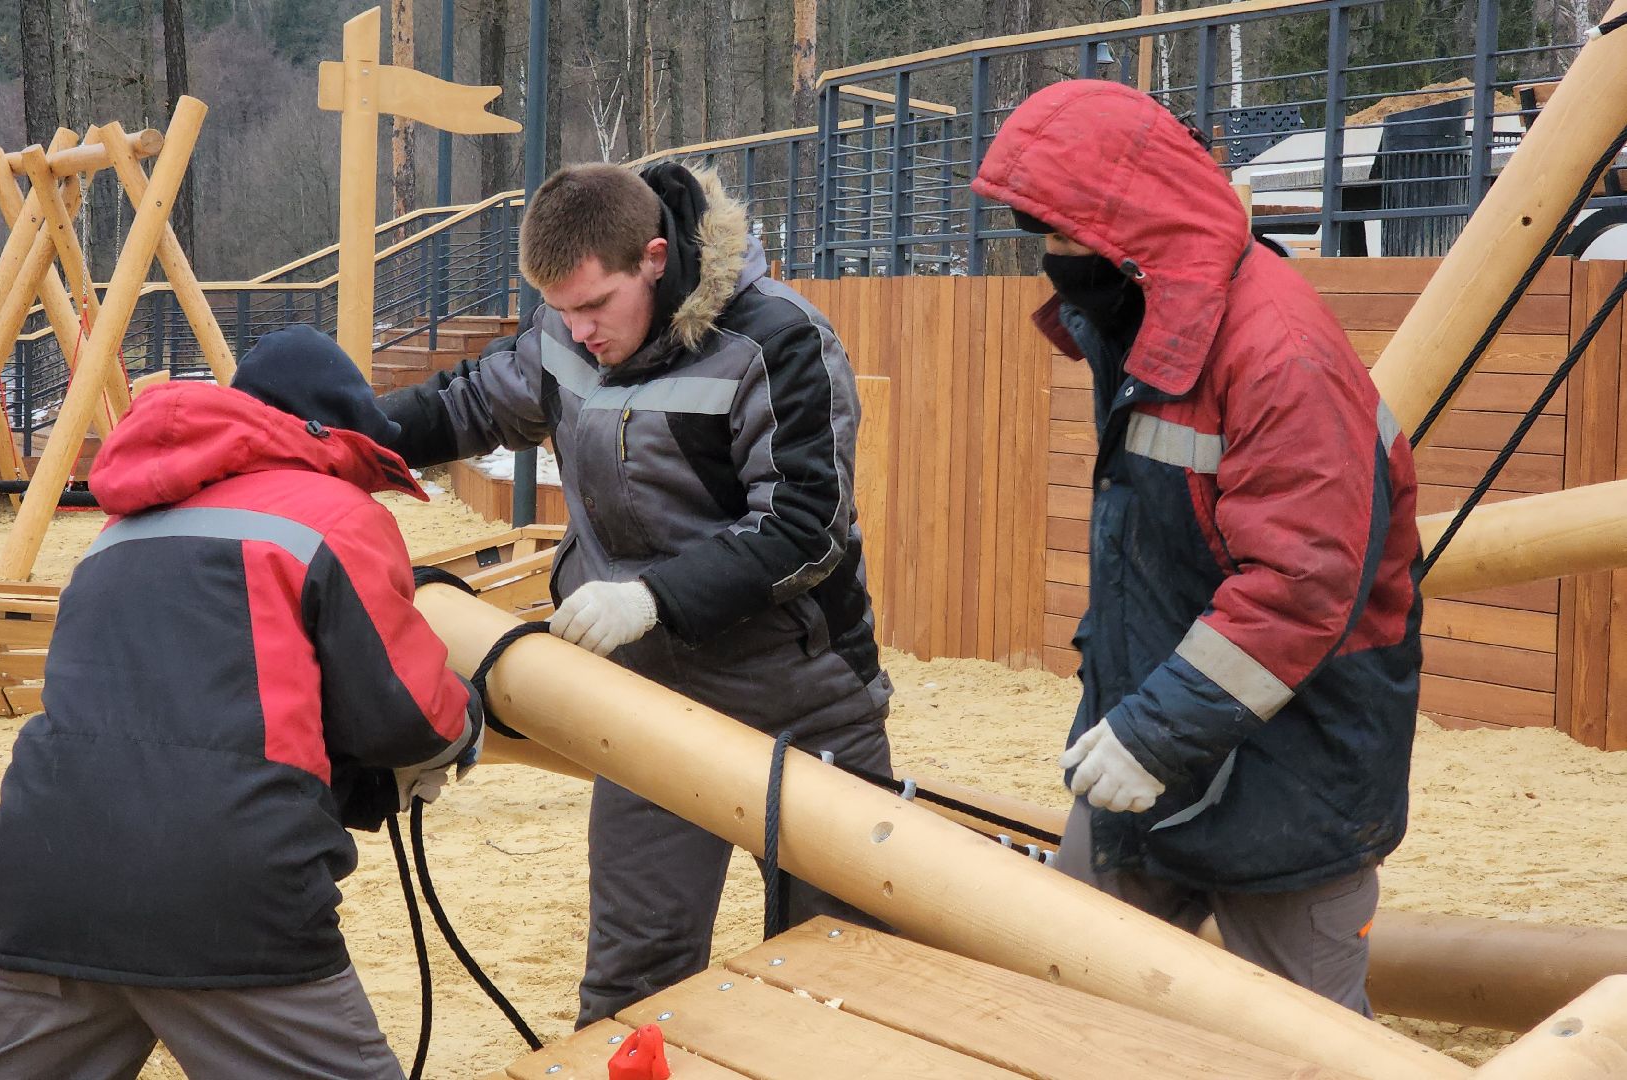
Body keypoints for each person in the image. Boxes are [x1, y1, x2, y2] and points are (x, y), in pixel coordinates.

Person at [378, 161, 893, 1026]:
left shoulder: (777, 342)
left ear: (654, 259)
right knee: (631, 985)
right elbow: (469, 404)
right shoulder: (566, 328)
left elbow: (808, 524)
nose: (576, 333)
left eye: (593, 308)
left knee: (842, 987)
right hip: (648, 700)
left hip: (803, 701)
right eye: (560, 310)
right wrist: (336, 433)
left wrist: (651, 597)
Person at [970, 81, 1423, 1015]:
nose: (1049, 261)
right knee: (1084, 1010)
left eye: (1057, 235)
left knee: (1303, 1041)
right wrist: (1134, 727)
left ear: (1130, 236)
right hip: (1150, 741)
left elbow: (1301, 583)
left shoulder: (1277, 354)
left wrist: (1149, 734)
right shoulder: (1148, 320)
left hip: (1294, 772)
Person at [0, 325, 482, 1078]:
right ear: (340, 436)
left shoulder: (118, 530)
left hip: (40, 886)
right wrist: (467, 721)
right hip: (228, 897)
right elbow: (408, 716)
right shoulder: (335, 514)